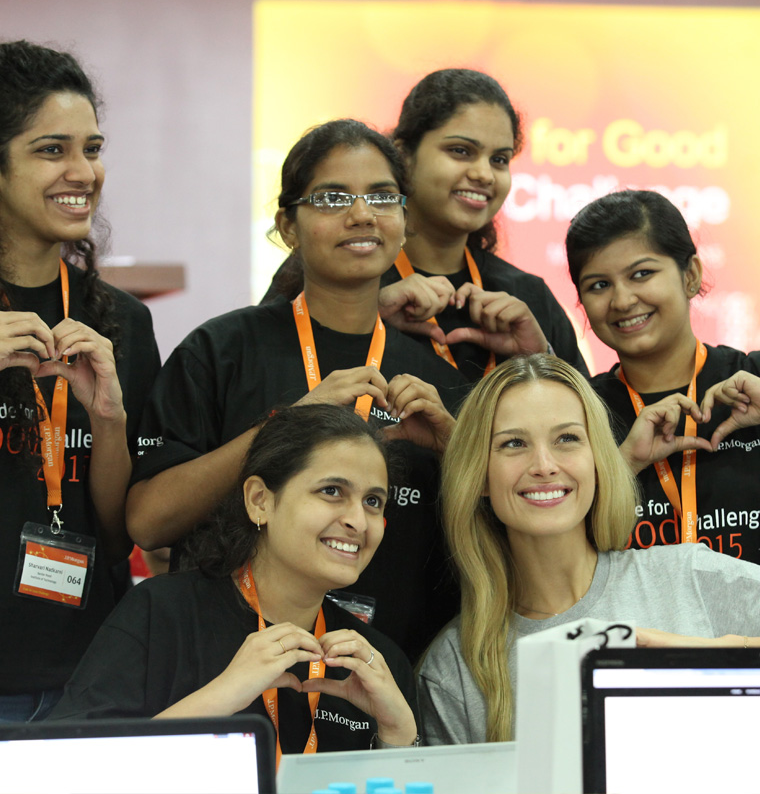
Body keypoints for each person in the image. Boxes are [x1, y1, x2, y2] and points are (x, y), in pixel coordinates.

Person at [127, 119, 469, 662]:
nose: (362, 214)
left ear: (404, 222)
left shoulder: (438, 381)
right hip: (220, 666)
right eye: (333, 198)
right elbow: (148, 522)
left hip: (382, 672)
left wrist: (457, 448)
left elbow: (495, 549)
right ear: (288, 226)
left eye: (382, 197)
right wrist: (282, 428)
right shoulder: (221, 351)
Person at [417, 354, 760, 745]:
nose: (544, 465)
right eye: (514, 443)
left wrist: (714, 653)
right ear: (480, 475)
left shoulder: (688, 576)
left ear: (598, 459)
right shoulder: (452, 668)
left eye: (567, 439)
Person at [52, 405, 419, 758]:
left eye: (373, 501)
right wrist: (222, 696)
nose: (358, 520)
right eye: (332, 491)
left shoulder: (377, 661)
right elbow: (63, 770)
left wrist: (399, 735)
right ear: (259, 500)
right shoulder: (161, 614)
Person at [0, 40, 160, 721]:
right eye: (51, 150)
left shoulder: (122, 321)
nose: (82, 171)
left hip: (89, 678)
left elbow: (124, 536)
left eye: (92, 149)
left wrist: (110, 421)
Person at [267, 69, 588, 382]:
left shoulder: (526, 295)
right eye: (460, 151)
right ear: (404, 155)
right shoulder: (329, 269)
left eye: (499, 160)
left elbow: (589, 416)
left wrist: (540, 357)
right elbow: (263, 379)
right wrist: (363, 315)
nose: (484, 174)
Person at [565, 190, 760, 578]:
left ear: (690, 275)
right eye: (599, 285)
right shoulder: (573, 412)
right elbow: (544, 545)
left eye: (642, 274)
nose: (622, 300)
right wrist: (624, 465)